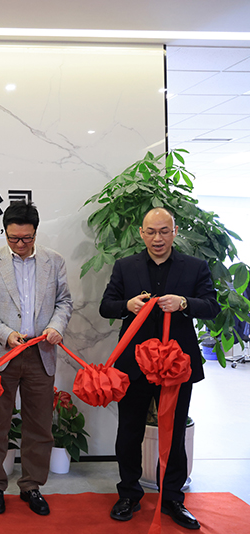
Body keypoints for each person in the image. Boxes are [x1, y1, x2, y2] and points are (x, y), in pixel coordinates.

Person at [100, 207, 219, 530]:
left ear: (174, 232)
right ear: (141, 233)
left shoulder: (195, 266)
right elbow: (106, 306)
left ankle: (173, 499)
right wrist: (127, 306)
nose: (157, 238)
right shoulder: (125, 266)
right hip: (134, 366)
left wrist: (184, 303)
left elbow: (211, 306)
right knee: (129, 432)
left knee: (175, 433)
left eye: (164, 231)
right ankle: (129, 494)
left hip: (176, 367)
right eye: (151, 231)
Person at [0, 201, 73, 516]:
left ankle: (31, 485)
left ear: (35, 233)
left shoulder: (54, 261)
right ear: (5, 233)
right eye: (13, 238)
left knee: (39, 425)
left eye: (26, 238)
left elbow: (64, 301)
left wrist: (55, 327)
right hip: (3, 355)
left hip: (41, 353)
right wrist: (6, 334)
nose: (19, 244)